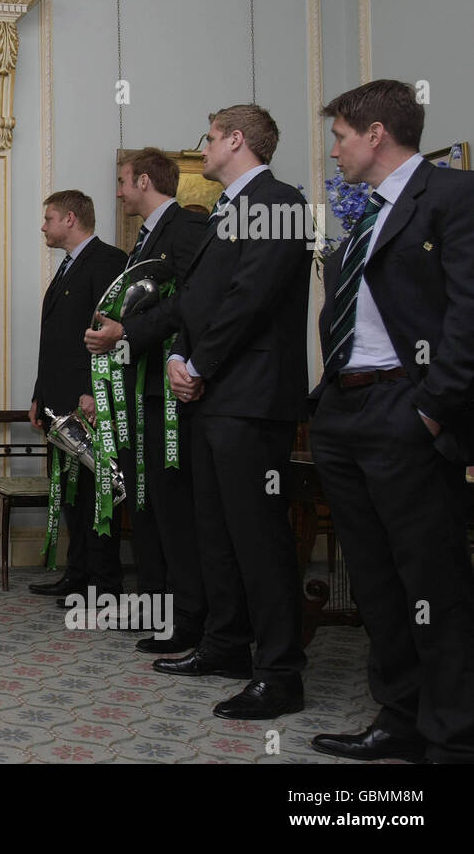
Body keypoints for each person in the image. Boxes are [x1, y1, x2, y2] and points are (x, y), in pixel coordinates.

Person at [308, 80, 474, 763]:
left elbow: (467, 315)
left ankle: (452, 734)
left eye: (340, 135)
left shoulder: (453, 197)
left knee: (430, 579)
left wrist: (434, 408)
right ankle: (398, 715)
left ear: (376, 134)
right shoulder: (366, 213)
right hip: (343, 412)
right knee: (374, 579)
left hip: (406, 407)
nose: (335, 150)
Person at [154, 104, 311, 721]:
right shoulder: (226, 210)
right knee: (215, 532)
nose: (206, 147)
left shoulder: (279, 201)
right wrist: (181, 355)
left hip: (251, 398)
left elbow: (251, 298)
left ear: (236, 141)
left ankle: (280, 672)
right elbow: (197, 299)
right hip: (214, 393)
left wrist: (197, 366)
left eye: (211, 138)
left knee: (259, 538)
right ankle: (224, 646)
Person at [82, 150, 208, 653]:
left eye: (121, 182)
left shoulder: (186, 228)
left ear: (144, 180)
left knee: (172, 510)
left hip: (167, 395)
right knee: (147, 504)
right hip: (138, 393)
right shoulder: (143, 240)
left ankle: (187, 617)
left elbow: (188, 304)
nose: (117, 191)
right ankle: (157, 609)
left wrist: (125, 332)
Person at [27, 191, 126, 601]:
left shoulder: (106, 261)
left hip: (87, 404)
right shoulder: (68, 267)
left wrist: (93, 392)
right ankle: (78, 574)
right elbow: (54, 340)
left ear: (70, 218)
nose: (44, 226)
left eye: (48, 218)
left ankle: (103, 583)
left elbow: (111, 332)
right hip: (57, 402)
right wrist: (38, 394)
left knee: (94, 493)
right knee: (69, 493)